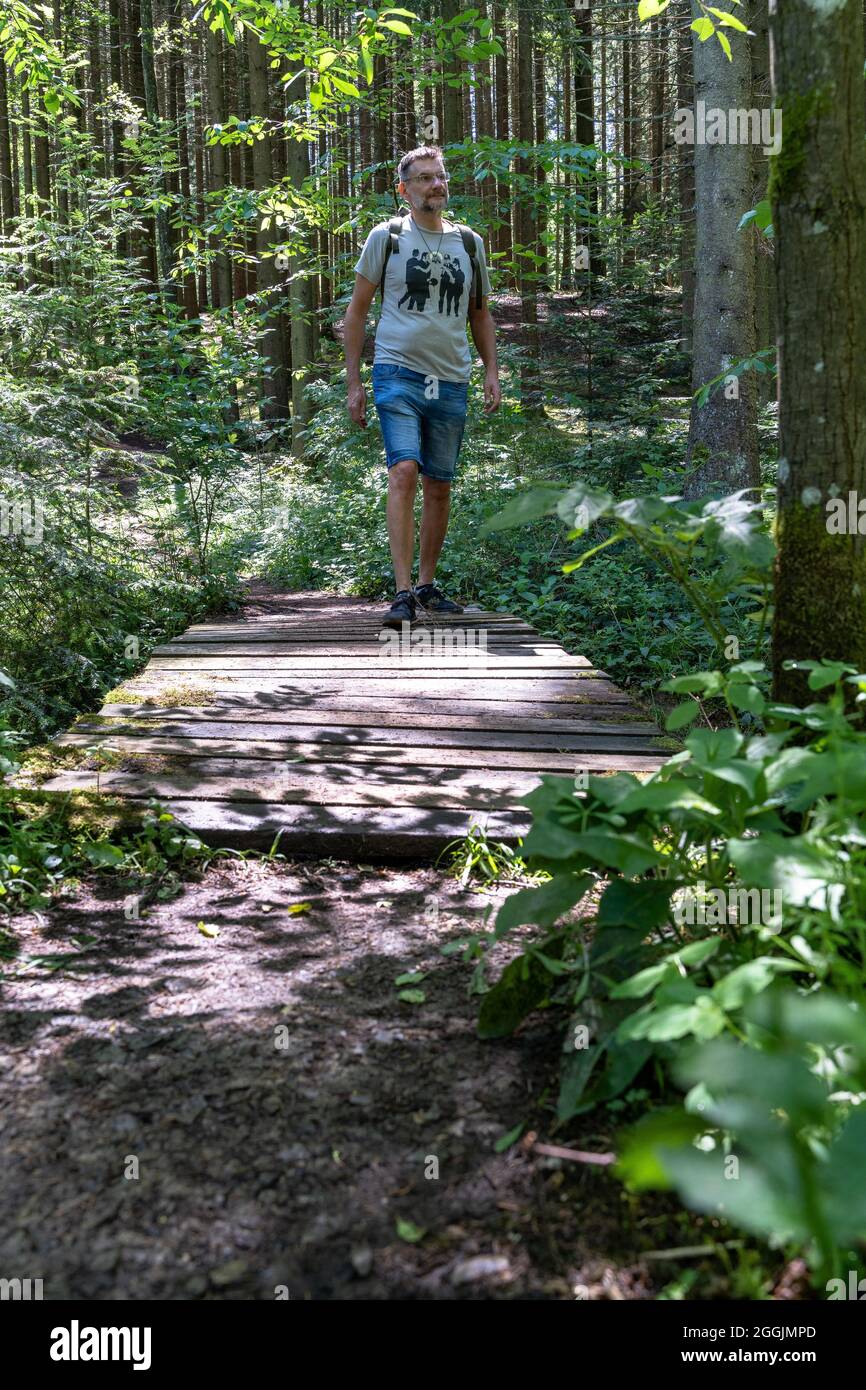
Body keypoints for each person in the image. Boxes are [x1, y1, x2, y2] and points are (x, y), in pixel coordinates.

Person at [343, 145, 501, 629]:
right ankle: (402, 591)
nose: (437, 185)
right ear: (404, 189)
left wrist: (491, 369)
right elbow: (357, 313)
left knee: (440, 485)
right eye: (426, 178)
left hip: (451, 377)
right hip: (397, 371)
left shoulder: (469, 243)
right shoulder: (386, 238)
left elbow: (480, 314)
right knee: (404, 470)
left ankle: (428, 584)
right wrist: (354, 382)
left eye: (440, 177)